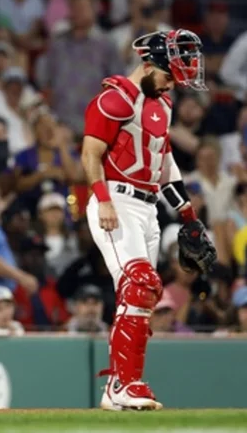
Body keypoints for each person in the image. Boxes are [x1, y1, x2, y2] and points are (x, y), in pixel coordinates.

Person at [81, 29, 217, 411]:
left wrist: (189, 217)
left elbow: (163, 163)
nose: (173, 83)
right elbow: (90, 153)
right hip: (116, 199)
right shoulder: (115, 98)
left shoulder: (163, 104)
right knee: (139, 282)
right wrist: (102, 198)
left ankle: (126, 385)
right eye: (169, 74)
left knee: (144, 294)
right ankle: (123, 384)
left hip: (148, 207)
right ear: (148, 64)